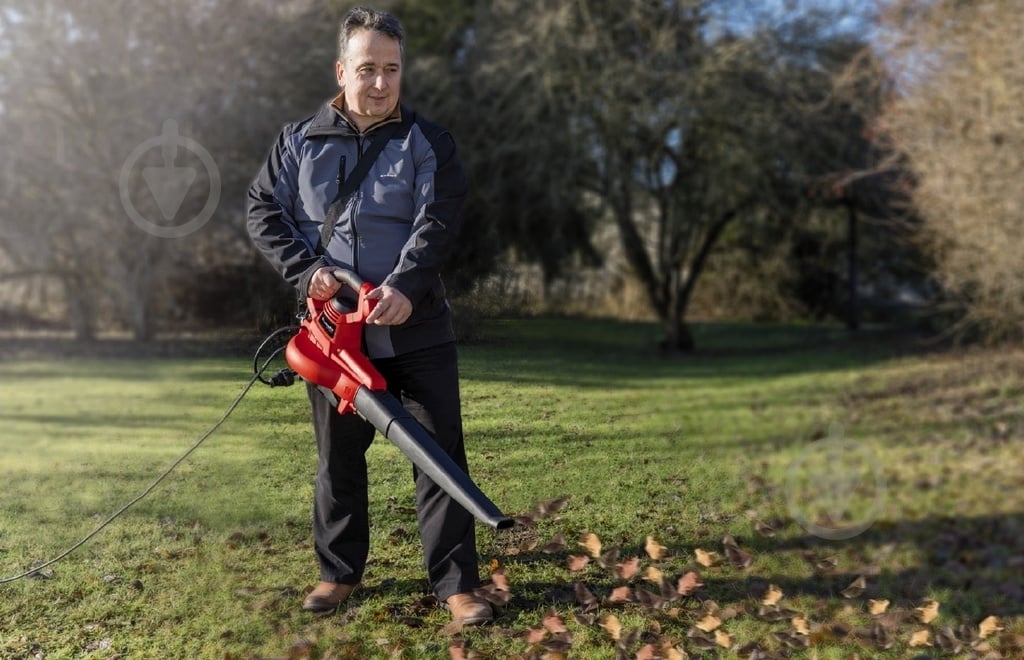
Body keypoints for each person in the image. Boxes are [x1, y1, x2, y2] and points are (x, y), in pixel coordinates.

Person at [246, 6, 491, 624]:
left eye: (392, 69)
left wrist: (406, 285)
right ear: (341, 69)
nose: (380, 83)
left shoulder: (428, 142)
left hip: (417, 329)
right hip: (334, 339)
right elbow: (262, 212)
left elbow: (438, 221)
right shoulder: (296, 141)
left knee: (439, 455)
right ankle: (338, 573)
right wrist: (307, 273)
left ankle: (457, 584)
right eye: (367, 69)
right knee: (337, 460)